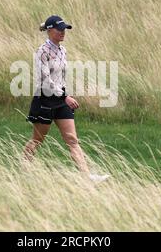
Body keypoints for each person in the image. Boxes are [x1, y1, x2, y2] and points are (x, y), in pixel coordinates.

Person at [24, 15, 110, 182]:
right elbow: (45, 80)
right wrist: (65, 96)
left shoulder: (63, 50)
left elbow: (61, 77)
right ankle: (25, 168)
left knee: (72, 139)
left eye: (64, 29)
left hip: (61, 100)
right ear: (49, 31)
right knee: (37, 139)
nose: (63, 32)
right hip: (45, 100)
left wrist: (66, 93)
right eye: (59, 29)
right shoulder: (42, 51)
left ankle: (87, 177)